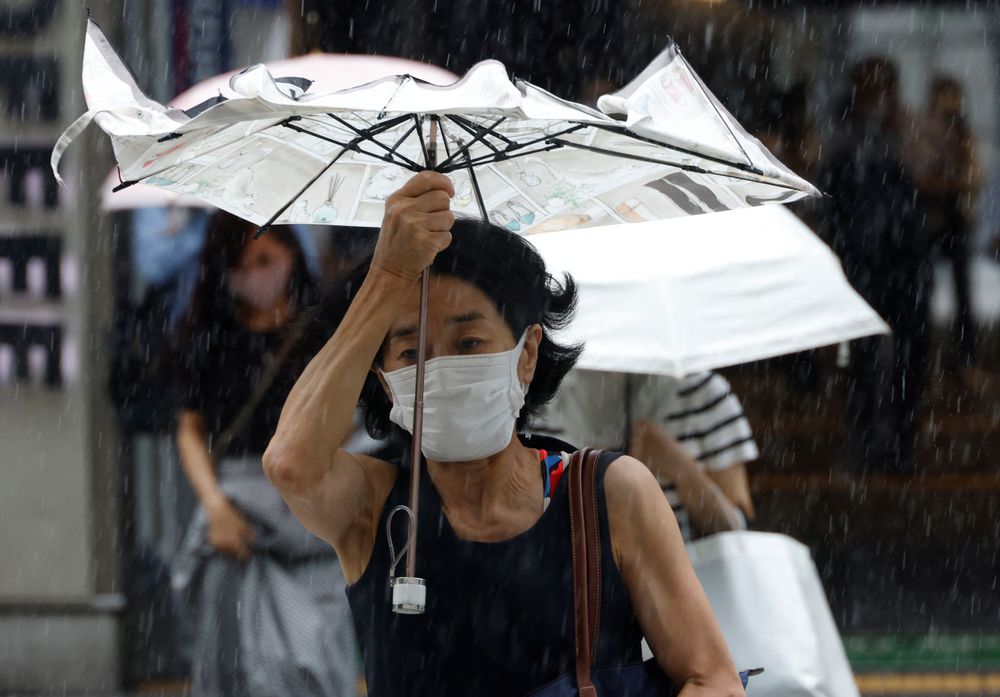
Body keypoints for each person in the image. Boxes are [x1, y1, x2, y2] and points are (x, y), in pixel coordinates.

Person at [264, 172, 745, 697]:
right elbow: (291, 464)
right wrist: (388, 274)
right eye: (410, 353)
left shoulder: (607, 494)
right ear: (383, 381)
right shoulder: (375, 507)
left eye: (468, 342)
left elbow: (710, 678)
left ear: (528, 353)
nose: (440, 368)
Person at [170, 211, 358, 697]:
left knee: (310, 657)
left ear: (291, 256)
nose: (257, 275)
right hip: (238, 518)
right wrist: (214, 507)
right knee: (230, 661)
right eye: (243, 264)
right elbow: (190, 429)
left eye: (266, 260)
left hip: (308, 520)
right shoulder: (213, 337)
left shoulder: (322, 333)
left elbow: (345, 422)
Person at [820, 57, 931, 475]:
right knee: (866, 364)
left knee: (905, 360)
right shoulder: (847, 139)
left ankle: (897, 444)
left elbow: (925, 180)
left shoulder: (903, 134)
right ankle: (871, 443)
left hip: (901, 262)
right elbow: (835, 196)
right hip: (868, 263)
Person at [532, 370, 757, 542]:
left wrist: (682, 471)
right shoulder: (546, 395)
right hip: (577, 586)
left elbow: (738, 531)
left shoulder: (703, 393)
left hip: (676, 583)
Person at [913, 76, 982, 379]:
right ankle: (925, 354)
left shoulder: (962, 132)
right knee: (924, 287)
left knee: (961, 289)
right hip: (932, 216)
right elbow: (923, 176)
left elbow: (973, 175)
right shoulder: (923, 131)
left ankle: (960, 354)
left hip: (951, 216)